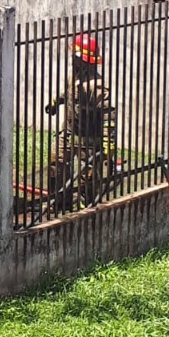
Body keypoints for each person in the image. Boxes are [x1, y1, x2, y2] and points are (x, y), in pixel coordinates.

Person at [45, 33, 118, 212]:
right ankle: (61, 203)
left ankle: (88, 208)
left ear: (84, 60)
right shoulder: (73, 75)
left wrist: (108, 141)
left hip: (89, 140)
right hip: (68, 133)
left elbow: (108, 113)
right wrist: (57, 101)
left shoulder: (97, 85)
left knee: (88, 176)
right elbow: (69, 93)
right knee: (57, 163)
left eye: (76, 57)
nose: (73, 60)